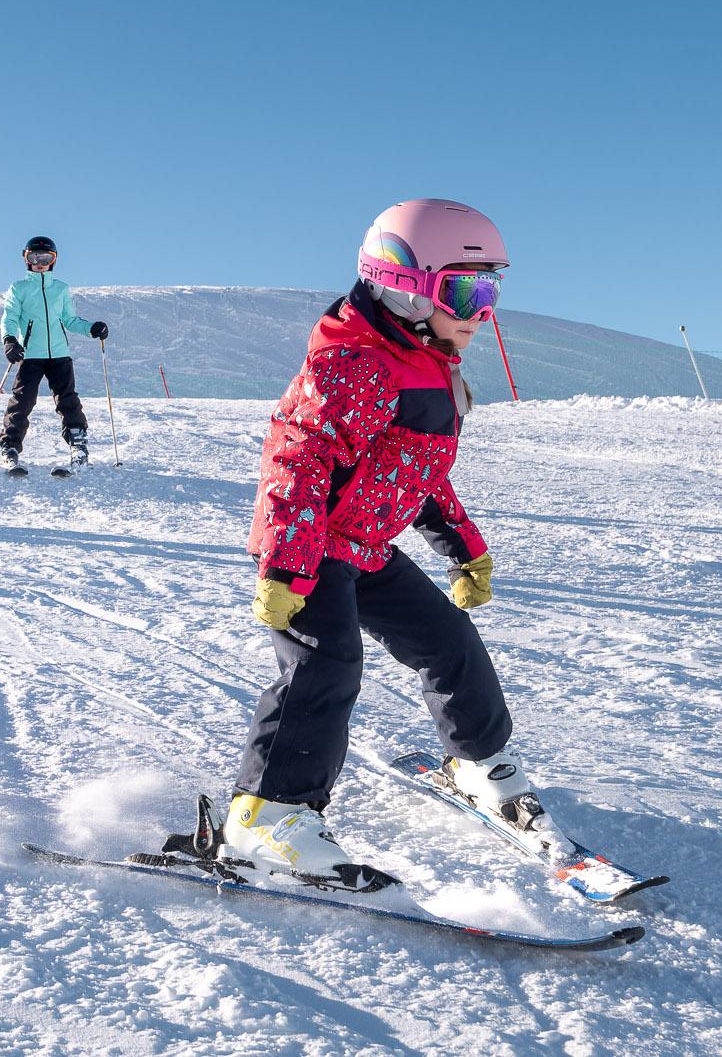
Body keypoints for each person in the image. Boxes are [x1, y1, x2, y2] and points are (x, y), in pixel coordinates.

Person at [223, 198, 522, 889]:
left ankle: (479, 758)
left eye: (491, 291)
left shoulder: (426, 357)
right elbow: (297, 457)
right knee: (326, 665)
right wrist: (286, 563)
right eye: (465, 292)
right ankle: (267, 815)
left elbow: (417, 471)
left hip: (365, 545)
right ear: (404, 285)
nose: (482, 313)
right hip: (313, 546)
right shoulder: (357, 361)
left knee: (449, 641)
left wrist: (464, 548)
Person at [0, 236, 109, 471]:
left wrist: (91, 329)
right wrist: (9, 340)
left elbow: (69, 319)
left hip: (59, 355)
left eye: (46, 258)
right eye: (34, 257)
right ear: (26, 259)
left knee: (67, 399)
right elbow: (10, 316)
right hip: (30, 355)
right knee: (22, 400)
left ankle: (78, 444)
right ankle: (10, 446)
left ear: (53, 261)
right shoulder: (19, 288)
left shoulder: (61, 289)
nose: (40, 262)